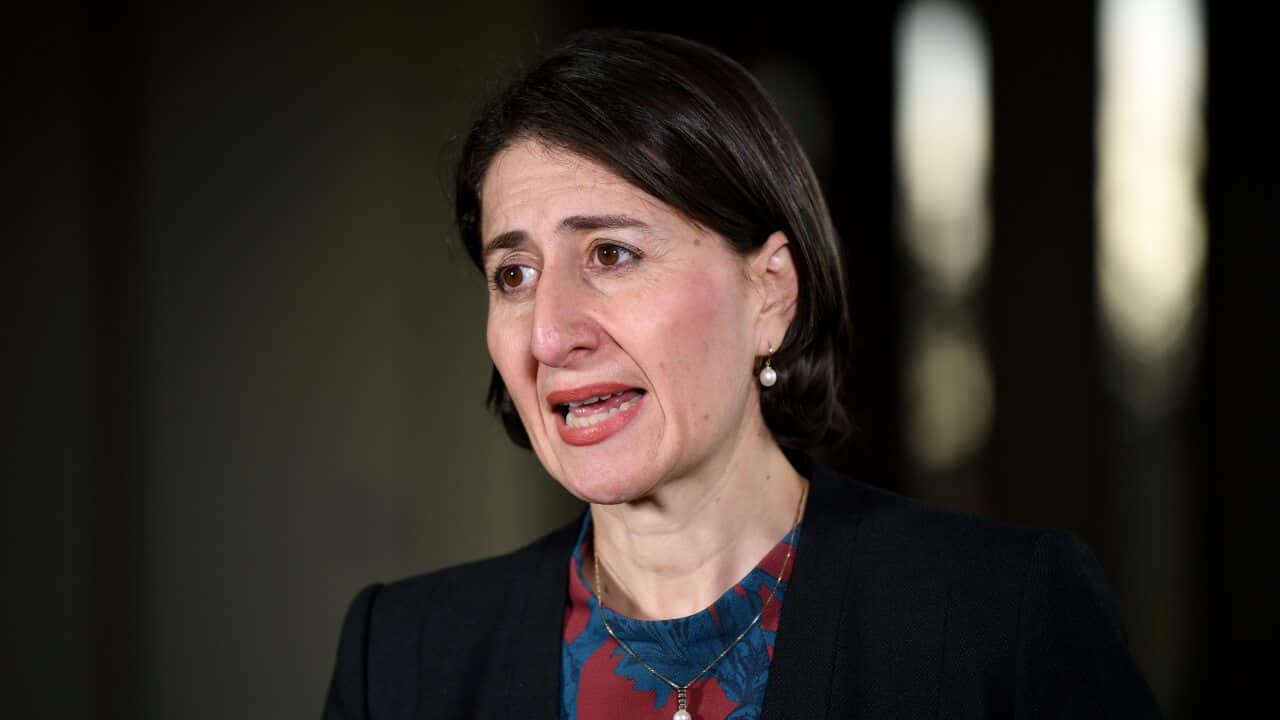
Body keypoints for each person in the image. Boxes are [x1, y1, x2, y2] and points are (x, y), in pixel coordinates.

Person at [323, 28, 1160, 720]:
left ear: (770, 294)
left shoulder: (1001, 616)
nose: (549, 332)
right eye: (514, 274)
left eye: (610, 254)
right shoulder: (401, 656)